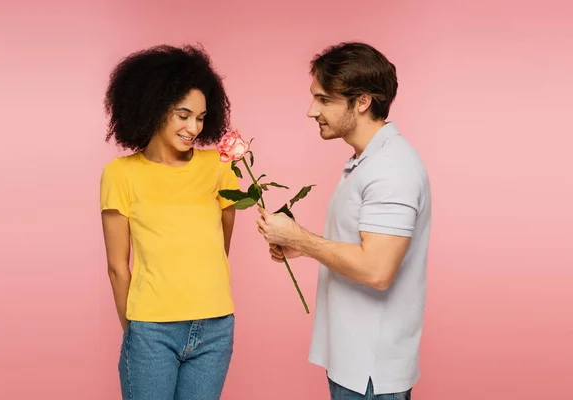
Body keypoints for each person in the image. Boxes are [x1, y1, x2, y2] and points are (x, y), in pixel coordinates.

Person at [256, 42, 431, 399]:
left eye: (323, 99)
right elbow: (362, 246)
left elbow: (378, 270)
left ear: (362, 101)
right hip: (354, 363)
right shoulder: (366, 161)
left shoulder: (391, 168)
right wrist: (301, 248)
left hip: (372, 372)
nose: (311, 111)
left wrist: (303, 239)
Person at [100, 44, 239, 400]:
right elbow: (118, 267)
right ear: (154, 107)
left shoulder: (219, 166)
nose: (194, 127)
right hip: (152, 331)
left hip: (215, 326)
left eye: (201, 117)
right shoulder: (121, 174)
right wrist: (135, 330)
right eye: (183, 115)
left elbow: (220, 244)